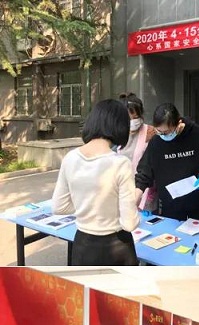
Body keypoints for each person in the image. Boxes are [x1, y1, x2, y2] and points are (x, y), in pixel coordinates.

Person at [51, 99, 140, 266]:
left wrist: (86, 205)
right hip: (117, 246)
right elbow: (129, 223)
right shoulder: (120, 163)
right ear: (120, 126)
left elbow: (58, 207)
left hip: (82, 244)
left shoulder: (70, 158)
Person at [134, 103, 199, 221]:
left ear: (178, 123)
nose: (162, 135)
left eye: (166, 132)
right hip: (170, 206)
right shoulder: (156, 142)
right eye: (159, 131)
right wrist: (138, 192)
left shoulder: (197, 134)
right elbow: (145, 170)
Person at [118, 93, 157, 211]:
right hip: (121, 189)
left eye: (136, 117)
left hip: (145, 191)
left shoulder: (150, 132)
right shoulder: (116, 134)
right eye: (130, 118)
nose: (133, 121)